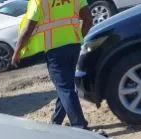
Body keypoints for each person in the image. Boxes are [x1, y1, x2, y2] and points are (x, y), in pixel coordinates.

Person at [12, 0, 93, 130]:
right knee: (67, 86)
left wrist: (16, 52)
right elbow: (88, 19)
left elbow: (28, 30)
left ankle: (79, 125)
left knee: (64, 88)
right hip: (73, 45)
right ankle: (56, 121)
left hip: (55, 50)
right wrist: (78, 38)